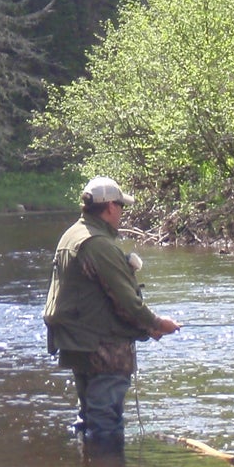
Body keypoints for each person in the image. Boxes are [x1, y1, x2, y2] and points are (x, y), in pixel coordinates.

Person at [42, 177, 180, 442]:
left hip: (77, 342)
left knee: (89, 417)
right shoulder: (99, 244)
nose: (122, 214)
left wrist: (147, 327)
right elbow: (125, 299)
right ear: (110, 208)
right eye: (121, 207)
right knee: (106, 423)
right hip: (102, 347)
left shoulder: (71, 236)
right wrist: (156, 323)